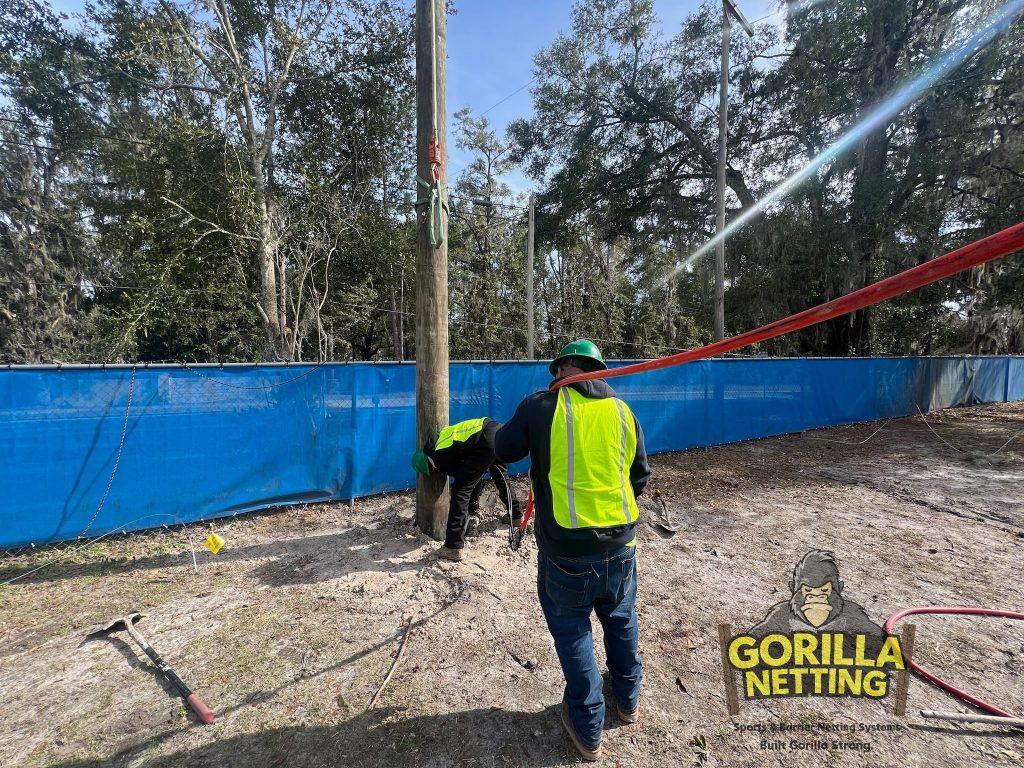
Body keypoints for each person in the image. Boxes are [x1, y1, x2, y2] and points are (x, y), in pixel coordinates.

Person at [494, 340, 650, 762]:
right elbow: (640, 475)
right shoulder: (622, 410)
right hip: (621, 547)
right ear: (598, 370)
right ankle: (628, 698)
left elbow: (503, 450)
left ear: (563, 369)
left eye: (555, 374)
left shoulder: (541, 406)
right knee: (620, 619)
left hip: (566, 553)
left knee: (573, 632)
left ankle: (587, 725)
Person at [411, 417, 522, 561]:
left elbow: (465, 480)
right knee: (500, 475)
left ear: (429, 465)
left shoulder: (440, 455)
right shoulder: (440, 442)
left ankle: (453, 546)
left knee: (460, 491)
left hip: (484, 439)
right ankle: (516, 515)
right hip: (496, 431)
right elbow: (473, 473)